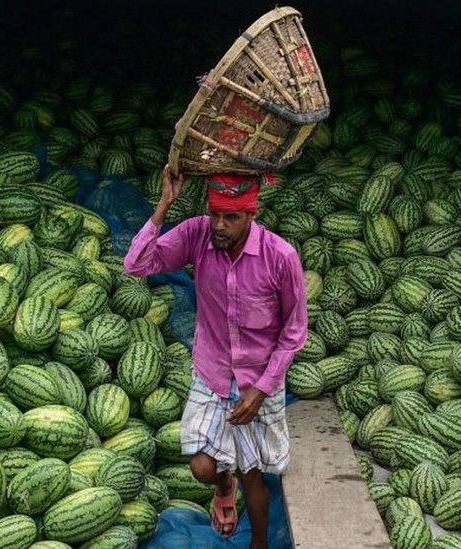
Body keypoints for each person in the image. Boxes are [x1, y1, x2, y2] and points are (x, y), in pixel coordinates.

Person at [123, 164, 309, 548]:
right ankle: (223, 486)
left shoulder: (280, 257)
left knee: (253, 473)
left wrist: (260, 390)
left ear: (251, 216)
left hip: (260, 379)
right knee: (201, 465)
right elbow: (137, 264)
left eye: (231, 217)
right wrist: (164, 205)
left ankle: (258, 542)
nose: (220, 225)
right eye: (215, 215)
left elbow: (294, 332)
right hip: (212, 373)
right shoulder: (197, 234)